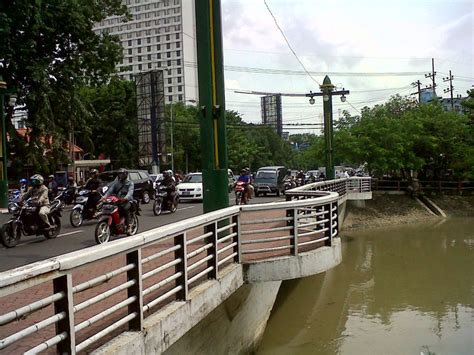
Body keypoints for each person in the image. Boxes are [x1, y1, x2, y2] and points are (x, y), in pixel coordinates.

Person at [104, 168, 134, 232]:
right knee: (110, 208)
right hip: (118, 200)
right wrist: (104, 197)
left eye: (122, 174)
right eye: (119, 174)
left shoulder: (130, 183)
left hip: (127, 201)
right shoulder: (116, 183)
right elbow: (110, 191)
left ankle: (129, 225)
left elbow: (130, 192)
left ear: (125, 174)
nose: (120, 175)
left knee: (125, 209)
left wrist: (126, 198)